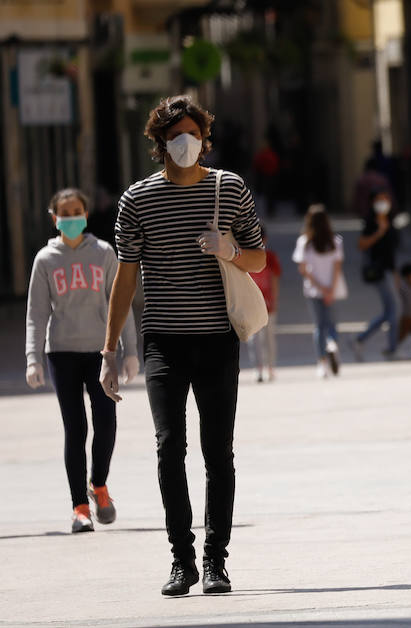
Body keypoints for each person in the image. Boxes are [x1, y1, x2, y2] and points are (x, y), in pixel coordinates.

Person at [103, 95, 267, 596]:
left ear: (206, 139)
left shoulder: (230, 188)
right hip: (164, 343)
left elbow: (259, 260)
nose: (185, 143)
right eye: (175, 136)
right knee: (169, 447)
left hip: (218, 339)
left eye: (193, 134)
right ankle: (182, 561)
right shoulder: (138, 200)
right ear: (159, 143)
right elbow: (126, 276)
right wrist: (110, 349)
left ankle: (216, 561)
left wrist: (231, 250)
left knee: (219, 452)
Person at [25, 188, 138, 533]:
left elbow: (121, 301)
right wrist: (33, 358)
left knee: (106, 422)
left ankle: (99, 484)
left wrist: (129, 350)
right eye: (65, 212)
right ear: (54, 217)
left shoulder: (104, 253)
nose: (71, 217)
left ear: (86, 215)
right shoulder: (46, 260)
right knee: (76, 429)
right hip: (61, 353)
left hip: (100, 351)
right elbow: (36, 312)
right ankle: (80, 508)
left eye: (77, 211)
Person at [293, 205, 346, 378]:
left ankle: (321, 362)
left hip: (313, 290)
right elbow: (337, 267)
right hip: (332, 289)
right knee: (331, 323)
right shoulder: (335, 241)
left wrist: (321, 287)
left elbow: (303, 270)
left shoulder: (304, 243)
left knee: (319, 326)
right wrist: (330, 289)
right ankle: (332, 344)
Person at [353, 189, 400, 361]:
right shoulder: (370, 222)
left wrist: (395, 273)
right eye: (379, 199)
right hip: (377, 272)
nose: (383, 202)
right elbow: (361, 244)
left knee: (391, 311)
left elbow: (392, 251)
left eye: (386, 198)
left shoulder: (391, 221)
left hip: (388, 270)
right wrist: (379, 232)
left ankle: (361, 339)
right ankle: (390, 349)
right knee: (393, 311)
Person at [247, 226, 282, 383]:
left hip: (266, 301)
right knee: (256, 338)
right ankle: (259, 368)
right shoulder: (246, 256)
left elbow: (275, 279)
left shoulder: (270, 257)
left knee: (266, 338)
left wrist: (274, 299)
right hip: (252, 302)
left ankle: (270, 367)